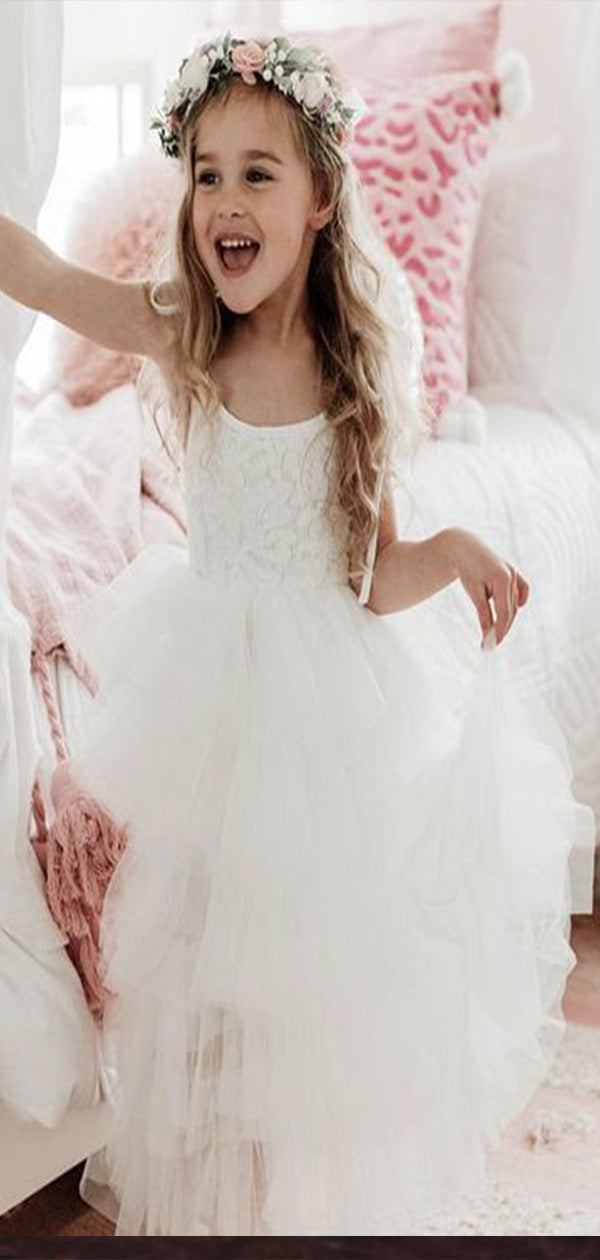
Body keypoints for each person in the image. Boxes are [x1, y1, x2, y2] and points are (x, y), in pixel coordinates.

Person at [0, 30, 595, 1238]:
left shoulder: (353, 365)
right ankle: (220, 1205)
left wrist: (456, 553)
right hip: (204, 689)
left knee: (306, 994)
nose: (225, 199)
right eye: (205, 173)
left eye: (258, 174)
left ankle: (291, 1210)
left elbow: (371, 572)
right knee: (205, 984)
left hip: (321, 714)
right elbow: (52, 280)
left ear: (321, 197)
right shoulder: (185, 328)